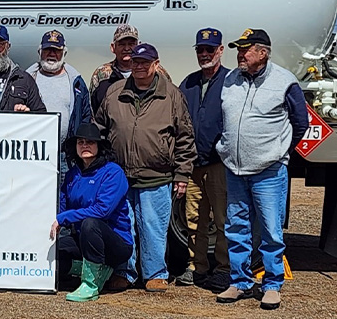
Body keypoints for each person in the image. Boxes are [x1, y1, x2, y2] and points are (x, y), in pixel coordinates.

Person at [215, 29, 308, 311]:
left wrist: (279, 153)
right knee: (236, 227)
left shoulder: (284, 82)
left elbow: (300, 123)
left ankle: (271, 285)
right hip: (235, 168)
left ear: (263, 53)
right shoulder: (232, 78)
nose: (240, 55)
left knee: (270, 230)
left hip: (269, 170)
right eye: (238, 50)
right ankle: (240, 282)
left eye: (246, 50)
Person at [94, 43, 196, 293]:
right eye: (135, 62)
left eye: (144, 62)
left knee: (153, 226)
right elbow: (99, 129)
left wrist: (182, 174)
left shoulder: (171, 94)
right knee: (122, 226)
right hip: (120, 177)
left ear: (156, 64)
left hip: (157, 175)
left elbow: (185, 136)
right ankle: (124, 272)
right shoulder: (115, 92)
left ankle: (155, 273)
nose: (139, 67)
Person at [50, 122, 133, 302]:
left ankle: (91, 283)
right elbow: (62, 206)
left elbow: (102, 211)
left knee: (90, 223)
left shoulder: (113, 172)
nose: (85, 145)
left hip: (115, 243)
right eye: (80, 142)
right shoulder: (73, 174)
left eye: (90, 142)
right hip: (83, 240)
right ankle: (95, 271)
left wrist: (63, 218)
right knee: (55, 254)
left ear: (99, 146)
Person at [177, 28, 231, 291]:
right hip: (192, 164)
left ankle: (224, 268)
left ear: (221, 50)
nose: (205, 54)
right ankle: (196, 266)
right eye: (201, 50)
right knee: (194, 219)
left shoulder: (233, 81)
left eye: (210, 49)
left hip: (220, 164)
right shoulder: (188, 83)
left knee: (222, 220)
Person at [25, 30, 93, 152]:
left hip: (66, 155)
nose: (52, 54)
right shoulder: (26, 79)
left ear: (64, 53)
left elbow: (85, 116)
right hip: (33, 151)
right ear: (39, 52)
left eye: (56, 50)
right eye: (47, 50)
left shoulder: (76, 82)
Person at [90, 24, 172, 112]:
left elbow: (171, 99)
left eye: (131, 44)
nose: (127, 48)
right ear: (113, 47)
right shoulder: (101, 74)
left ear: (139, 45)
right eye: (122, 44)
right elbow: (92, 109)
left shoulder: (157, 71)